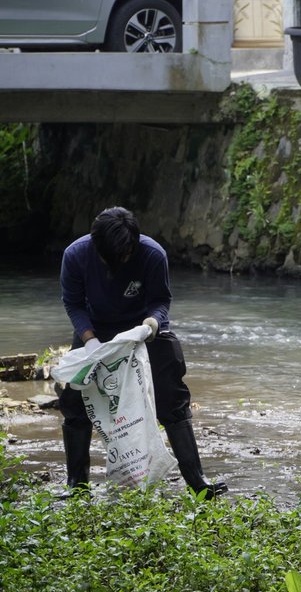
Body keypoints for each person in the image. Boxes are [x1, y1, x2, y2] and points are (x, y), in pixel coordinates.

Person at [58, 207, 226, 497]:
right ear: (95, 245)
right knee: (74, 402)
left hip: (143, 331)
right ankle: (77, 485)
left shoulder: (152, 254)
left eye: (123, 257)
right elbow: (74, 304)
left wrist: (151, 324)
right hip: (96, 333)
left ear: (133, 245)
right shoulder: (76, 255)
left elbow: (161, 301)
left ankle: (198, 481)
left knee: (172, 399)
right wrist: (90, 342)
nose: (117, 264)